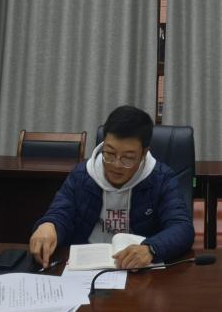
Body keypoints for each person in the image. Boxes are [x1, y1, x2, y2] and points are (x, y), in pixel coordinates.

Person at [28, 105, 193, 270]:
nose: (116, 165)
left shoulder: (161, 179)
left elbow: (182, 228)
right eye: (109, 153)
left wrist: (151, 249)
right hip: (85, 266)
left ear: (143, 153)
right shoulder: (82, 175)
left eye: (128, 158)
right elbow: (60, 212)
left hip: (136, 268)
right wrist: (49, 225)